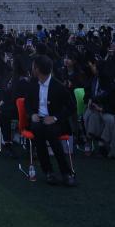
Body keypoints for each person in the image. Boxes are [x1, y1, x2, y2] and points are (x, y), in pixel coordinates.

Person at [24, 55, 77, 186]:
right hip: (38, 120)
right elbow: (27, 103)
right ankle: (49, 171)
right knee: (38, 130)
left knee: (50, 133)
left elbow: (72, 107)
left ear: (37, 69)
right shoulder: (32, 84)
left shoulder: (58, 86)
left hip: (55, 122)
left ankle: (65, 173)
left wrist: (55, 118)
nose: (32, 69)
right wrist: (32, 114)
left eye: (33, 67)